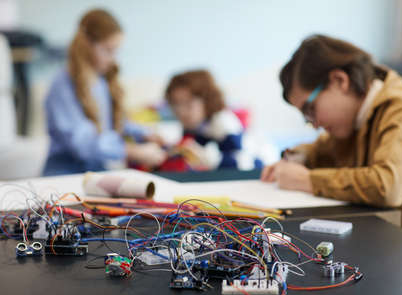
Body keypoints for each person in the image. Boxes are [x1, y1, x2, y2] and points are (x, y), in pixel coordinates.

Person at [261, 34, 402, 248]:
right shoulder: (357, 117)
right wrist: (297, 157)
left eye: (310, 109)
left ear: (340, 80)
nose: (314, 124)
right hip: (395, 244)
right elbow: (323, 148)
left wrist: (307, 180)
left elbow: (387, 186)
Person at [43, 9, 166, 175]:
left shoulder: (102, 82)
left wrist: (144, 133)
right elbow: (82, 145)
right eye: (108, 50)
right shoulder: (62, 86)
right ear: (86, 44)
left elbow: (111, 124)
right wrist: (132, 151)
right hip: (64, 178)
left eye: (116, 51)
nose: (113, 59)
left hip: (96, 174)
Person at [165, 69, 262, 170]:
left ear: (207, 100)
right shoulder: (192, 125)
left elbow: (244, 163)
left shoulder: (223, 123)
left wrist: (208, 159)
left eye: (188, 104)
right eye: (175, 104)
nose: (181, 112)